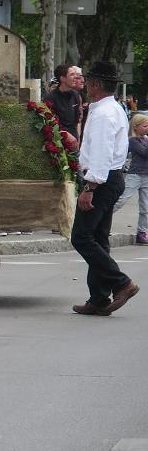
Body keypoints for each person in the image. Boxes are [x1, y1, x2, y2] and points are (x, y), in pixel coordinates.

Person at [70, 61, 139, 316]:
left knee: (82, 237)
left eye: (88, 81)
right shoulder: (112, 108)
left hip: (102, 179)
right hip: (110, 178)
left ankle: (122, 283)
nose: (85, 85)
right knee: (97, 237)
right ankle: (98, 298)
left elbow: (100, 153)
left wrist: (89, 187)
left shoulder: (103, 114)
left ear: (96, 85)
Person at [114, 112, 148, 245]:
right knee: (121, 200)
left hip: (146, 176)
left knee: (145, 207)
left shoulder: (146, 139)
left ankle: (142, 232)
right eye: (145, 126)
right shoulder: (132, 141)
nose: (147, 128)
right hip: (135, 175)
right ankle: (102, 221)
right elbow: (144, 153)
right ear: (136, 127)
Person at [45, 63, 82, 143]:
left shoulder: (75, 95)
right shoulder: (51, 98)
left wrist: (78, 140)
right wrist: (67, 136)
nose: (76, 77)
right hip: (58, 142)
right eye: (72, 74)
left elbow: (78, 121)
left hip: (74, 142)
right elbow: (49, 124)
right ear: (62, 78)